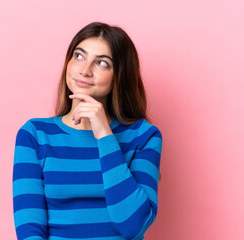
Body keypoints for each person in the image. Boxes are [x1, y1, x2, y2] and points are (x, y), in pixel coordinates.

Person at [13, 22, 163, 240]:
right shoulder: (34, 135)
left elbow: (134, 225)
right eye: (79, 56)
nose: (85, 70)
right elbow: (29, 230)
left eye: (102, 63)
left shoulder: (144, 136)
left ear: (120, 76)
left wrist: (105, 137)